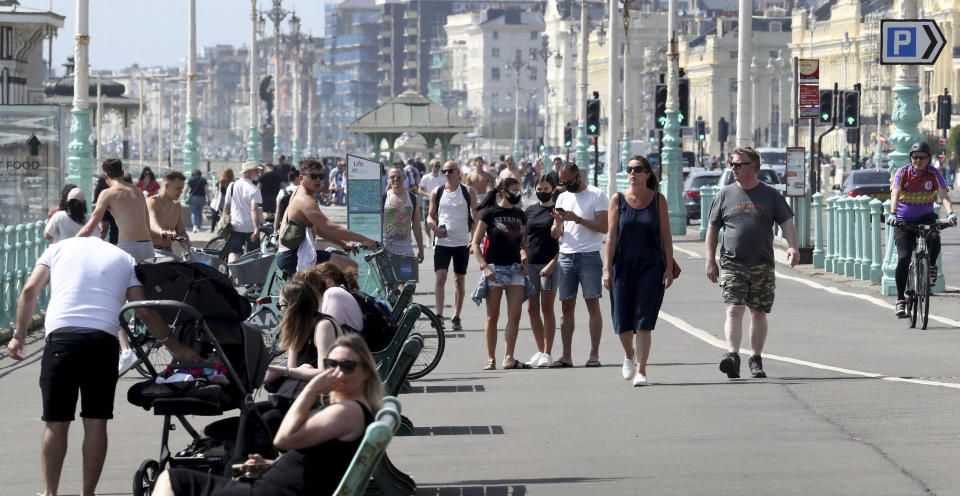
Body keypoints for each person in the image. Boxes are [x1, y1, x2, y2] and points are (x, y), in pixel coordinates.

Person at [7, 236, 200, 496]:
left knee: (56, 422)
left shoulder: (56, 249)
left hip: (61, 340)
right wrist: (179, 349)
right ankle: (88, 493)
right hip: (102, 342)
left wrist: (18, 336)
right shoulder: (124, 258)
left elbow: (29, 292)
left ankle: (49, 493)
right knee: (96, 422)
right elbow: (145, 311)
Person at [153, 334, 381, 496]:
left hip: (268, 492)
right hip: (273, 486)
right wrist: (272, 465)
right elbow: (324, 464)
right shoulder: (353, 410)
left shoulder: (347, 411)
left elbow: (283, 439)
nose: (337, 371)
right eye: (331, 364)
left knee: (171, 479)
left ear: (365, 372)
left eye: (348, 365)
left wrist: (311, 389)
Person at [705, 147, 800, 379]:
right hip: (732, 262)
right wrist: (710, 260)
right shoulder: (724, 194)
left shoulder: (770, 195)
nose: (734, 168)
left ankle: (756, 359)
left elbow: (787, 222)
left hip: (762, 263)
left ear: (753, 167)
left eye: (739, 164)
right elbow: (713, 229)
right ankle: (732, 356)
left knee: (758, 312)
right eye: (732, 164)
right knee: (734, 308)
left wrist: (793, 246)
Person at [603, 156, 674, 387]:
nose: (633, 173)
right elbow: (611, 237)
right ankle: (628, 354)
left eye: (638, 169)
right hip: (622, 266)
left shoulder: (658, 200)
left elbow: (665, 235)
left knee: (644, 320)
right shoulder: (617, 200)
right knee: (622, 320)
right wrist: (606, 268)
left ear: (647, 174)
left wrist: (669, 266)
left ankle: (642, 370)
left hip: (650, 267)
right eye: (629, 169)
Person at [547, 162, 608, 368]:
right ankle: (566, 356)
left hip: (589, 255)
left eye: (568, 181)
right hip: (566, 256)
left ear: (578, 176)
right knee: (566, 306)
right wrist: (559, 223)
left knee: (592, 304)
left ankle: (594, 354)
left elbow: (605, 226)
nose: (565, 185)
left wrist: (578, 219)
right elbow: (555, 233)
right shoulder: (562, 197)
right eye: (561, 182)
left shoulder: (596, 195)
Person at [888, 141, 957, 318]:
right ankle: (900, 300)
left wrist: (950, 214)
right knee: (903, 258)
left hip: (926, 219)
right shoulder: (903, 172)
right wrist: (893, 213)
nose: (918, 160)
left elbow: (943, 195)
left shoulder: (933, 174)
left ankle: (931, 265)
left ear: (928, 159)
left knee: (934, 236)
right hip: (903, 221)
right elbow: (895, 193)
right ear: (911, 158)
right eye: (915, 157)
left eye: (922, 158)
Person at [275, 159, 377, 274]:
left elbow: (318, 229)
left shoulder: (299, 191)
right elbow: (330, 228)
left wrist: (343, 244)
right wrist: (364, 239)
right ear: (301, 178)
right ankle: (335, 293)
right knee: (350, 267)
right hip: (294, 257)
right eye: (313, 176)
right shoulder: (305, 201)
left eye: (321, 176)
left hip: (289, 254)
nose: (318, 180)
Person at [471, 178, 530, 370]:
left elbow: (523, 244)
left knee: (515, 314)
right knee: (492, 316)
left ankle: (509, 357)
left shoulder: (521, 215)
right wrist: (485, 267)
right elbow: (475, 243)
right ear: (504, 192)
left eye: (519, 190)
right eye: (514, 190)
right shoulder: (489, 214)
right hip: (495, 269)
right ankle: (491, 358)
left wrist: (525, 259)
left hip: (515, 270)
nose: (518, 193)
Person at [426, 161, 477, 331]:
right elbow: (429, 217)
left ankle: (456, 316)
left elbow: (476, 217)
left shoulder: (468, 191)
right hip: (442, 242)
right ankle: (439, 315)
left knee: (459, 280)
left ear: (458, 172)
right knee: (441, 278)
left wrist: (475, 240)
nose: (447, 173)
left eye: (450, 171)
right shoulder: (437, 192)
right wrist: (434, 227)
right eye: (445, 171)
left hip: (462, 242)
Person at [523, 174, 560, 368]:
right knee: (531, 309)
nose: (542, 192)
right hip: (530, 264)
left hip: (549, 265)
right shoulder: (529, 211)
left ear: (553, 190)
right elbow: (524, 238)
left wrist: (552, 264)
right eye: (539, 189)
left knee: (547, 308)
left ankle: (548, 352)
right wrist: (523, 259)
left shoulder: (557, 211)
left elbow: (561, 240)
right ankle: (540, 350)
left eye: (546, 189)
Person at [223, 161, 263, 263]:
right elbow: (254, 209)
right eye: (256, 170)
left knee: (234, 251)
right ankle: (250, 275)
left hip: (235, 226)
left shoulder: (232, 185)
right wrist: (256, 228)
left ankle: (232, 273)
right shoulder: (254, 189)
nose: (258, 173)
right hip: (250, 227)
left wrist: (223, 222)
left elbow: (226, 207)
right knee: (254, 254)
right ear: (250, 172)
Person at [384, 165, 425, 263]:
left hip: (406, 250)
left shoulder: (413, 198)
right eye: (392, 177)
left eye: (399, 177)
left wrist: (421, 249)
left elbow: (417, 227)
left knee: (407, 278)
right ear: (388, 179)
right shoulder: (383, 198)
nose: (396, 179)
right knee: (387, 279)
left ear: (404, 178)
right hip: (386, 249)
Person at [147, 170, 189, 252]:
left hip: (167, 251)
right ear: (167, 185)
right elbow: (151, 223)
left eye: (182, 189)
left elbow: (181, 232)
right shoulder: (151, 201)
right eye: (178, 188)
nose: (180, 192)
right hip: (151, 251)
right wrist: (162, 231)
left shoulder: (177, 206)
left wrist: (190, 248)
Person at [418, 159, 445, 246]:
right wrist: (429, 195)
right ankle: (428, 236)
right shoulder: (426, 177)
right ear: (431, 166)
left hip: (439, 201)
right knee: (427, 221)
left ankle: (436, 238)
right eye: (435, 166)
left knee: (438, 221)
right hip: (427, 201)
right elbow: (420, 190)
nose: (436, 168)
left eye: (438, 166)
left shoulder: (442, 178)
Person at [210, 167, 234, 233]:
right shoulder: (232, 183)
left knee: (217, 217)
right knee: (222, 218)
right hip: (222, 203)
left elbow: (216, 195)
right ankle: (219, 229)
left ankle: (215, 229)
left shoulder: (220, 182)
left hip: (219, 203)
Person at [186, 169, 208, 233]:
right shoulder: (203, 180)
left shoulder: (191, 180)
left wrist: (184, 196)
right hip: (202, 198)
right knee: (200, 212)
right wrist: (209, 198)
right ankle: (198, 225)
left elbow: (186, 189)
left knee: (194, 212)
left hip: (193, 198)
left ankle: (195, 226)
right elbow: (206, 190)